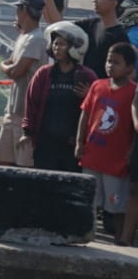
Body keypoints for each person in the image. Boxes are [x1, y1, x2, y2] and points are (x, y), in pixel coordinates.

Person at [77, 41, 136, 242]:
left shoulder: (133, 92)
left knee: (116, 204)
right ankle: (86, 236)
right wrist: (79, 142)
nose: (110, 65)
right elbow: (85, 115)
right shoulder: (97, 85)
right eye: (109, 61)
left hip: (116, 161)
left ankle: (120, 238)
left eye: (116, 62)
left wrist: (130, 153)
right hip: (93, 155)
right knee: (90, 201)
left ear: (129, 68)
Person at [22, 21, 95, 172]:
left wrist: (89, 96)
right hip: (45, 144)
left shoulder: (87, 76)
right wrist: (27, 132)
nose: (56, 47)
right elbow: (31, 104)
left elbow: (99, 108)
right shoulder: (43, 74)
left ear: (74, 46)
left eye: (62, 44)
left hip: (72, 146)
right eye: (55, 43)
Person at [40, 0, 129, 79]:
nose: (94, 0)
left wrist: (97, 89)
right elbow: (60, 26)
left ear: (114, 2)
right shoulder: (92, 24)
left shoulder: (119, 37)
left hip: (102, 93)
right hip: (84, 91)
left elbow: (123, 76)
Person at [0, 0, 48, 165]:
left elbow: (15, 70)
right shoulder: (24, 37)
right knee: (2, 163)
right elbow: (13, 66)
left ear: (23, 10)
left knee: (23, 166)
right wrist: (8, 66)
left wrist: (4, 66)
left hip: (25, 115)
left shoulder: (36, 39)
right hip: (12, 110)